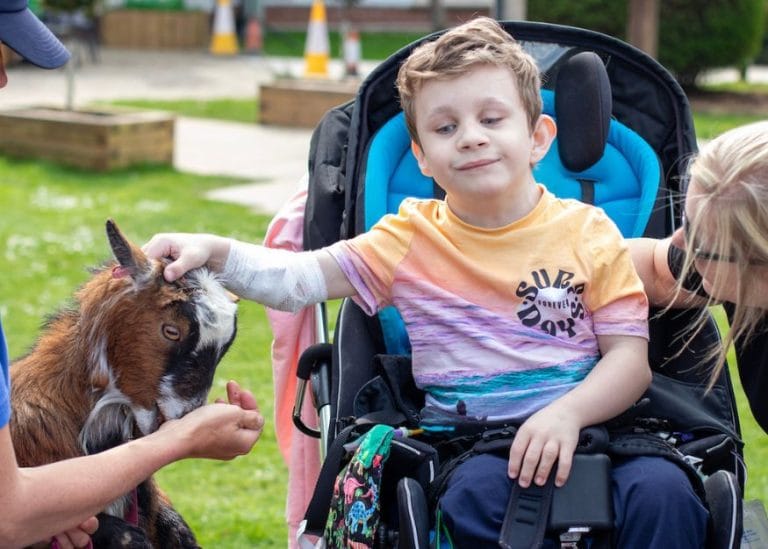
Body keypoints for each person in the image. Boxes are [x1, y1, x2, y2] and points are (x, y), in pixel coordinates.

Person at [143, 16, 707, 547]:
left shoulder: (590, 232)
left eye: (492, 119)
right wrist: (213, 252)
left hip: (591, 424)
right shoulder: (408, 238)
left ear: (538, 137)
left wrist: (568, 414)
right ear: (422, 157)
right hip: (473, 447)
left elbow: (629, 361)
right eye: (445, 127)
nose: (470, 137)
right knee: (470, 502)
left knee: (666, 493)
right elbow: (298, 279)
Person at [0, 3, 265, 548]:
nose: (5, 79)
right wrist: (179, 439)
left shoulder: (96, 408)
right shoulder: (39, 409)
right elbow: (9, 513)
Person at [630, 120, 768, 433]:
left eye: (699, 241)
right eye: (687, 220)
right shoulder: (722, 255)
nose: (679, 241)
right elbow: (652, 268)